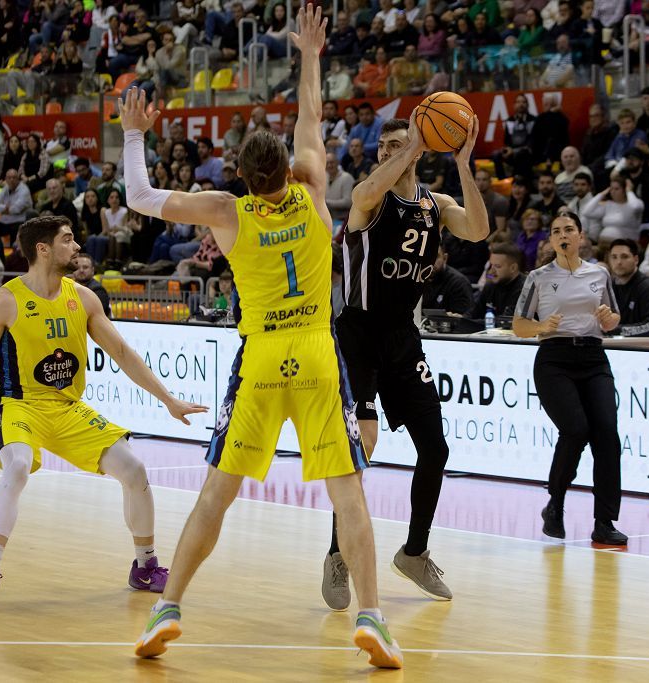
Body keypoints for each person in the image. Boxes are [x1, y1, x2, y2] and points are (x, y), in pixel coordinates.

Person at [122, 5, 405, 669]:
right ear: (289, 167)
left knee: (217, 494)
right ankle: (372, 616)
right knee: (347, 494)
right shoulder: (313, 190)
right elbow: (311, 114)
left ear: (242, 176)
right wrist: (310, 54)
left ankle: (168, 606)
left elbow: (139, 196)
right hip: (315, 351)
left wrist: (134, 134)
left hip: (261, 358)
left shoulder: (227, 212)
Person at [0, 216, 206, 608]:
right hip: (21, 406)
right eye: (68, 240)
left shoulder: (83, 298)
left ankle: (146, 566)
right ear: (43, 249)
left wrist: (168, 399)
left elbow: (122, 353)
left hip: (68, 408)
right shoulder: (5, 301)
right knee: (17, 467)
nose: (77, 247)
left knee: (134, 470)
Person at [331, 76, 489, 610]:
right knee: (361, 446)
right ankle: (337, 552)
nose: (389, 152)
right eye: (385, 146)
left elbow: (478, 230)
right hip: (357, 333)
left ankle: (415, 552)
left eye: (399, 145)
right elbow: (364, 193)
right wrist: (415, 142)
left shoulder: (434, 204)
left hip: (402, 336)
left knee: (436, 449)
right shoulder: (368, 200)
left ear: (420, 151)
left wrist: (463, 164)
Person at [513, 212, 628, 546]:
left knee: (607, 434)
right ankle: (555, 504)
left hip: (593, 357)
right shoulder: (538, 277)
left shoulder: (599, 272)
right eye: (556, 231)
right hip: (554, 359)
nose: (563, 235)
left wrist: (608, 319)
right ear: (551, 240)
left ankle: (604, 521)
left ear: (581, 236)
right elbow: (519, 325)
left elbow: (613, 318)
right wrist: (541, 326)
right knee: (576, 429)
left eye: (568, 230)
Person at [607, 239, 649, 339]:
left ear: (636, 259)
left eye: (624, 257)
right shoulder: (609, 287)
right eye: (614, 257)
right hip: (617, 345)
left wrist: (616, 330)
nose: (618, 262)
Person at [471, 243, 526, 323]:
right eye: (491, 265)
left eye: (497, 266)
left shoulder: (525, 289)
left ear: (513, 268)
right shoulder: (490, 285)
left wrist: (474, 322)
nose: (492, 271)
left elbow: (505, 322)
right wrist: (460, 319)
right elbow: (474, 313)